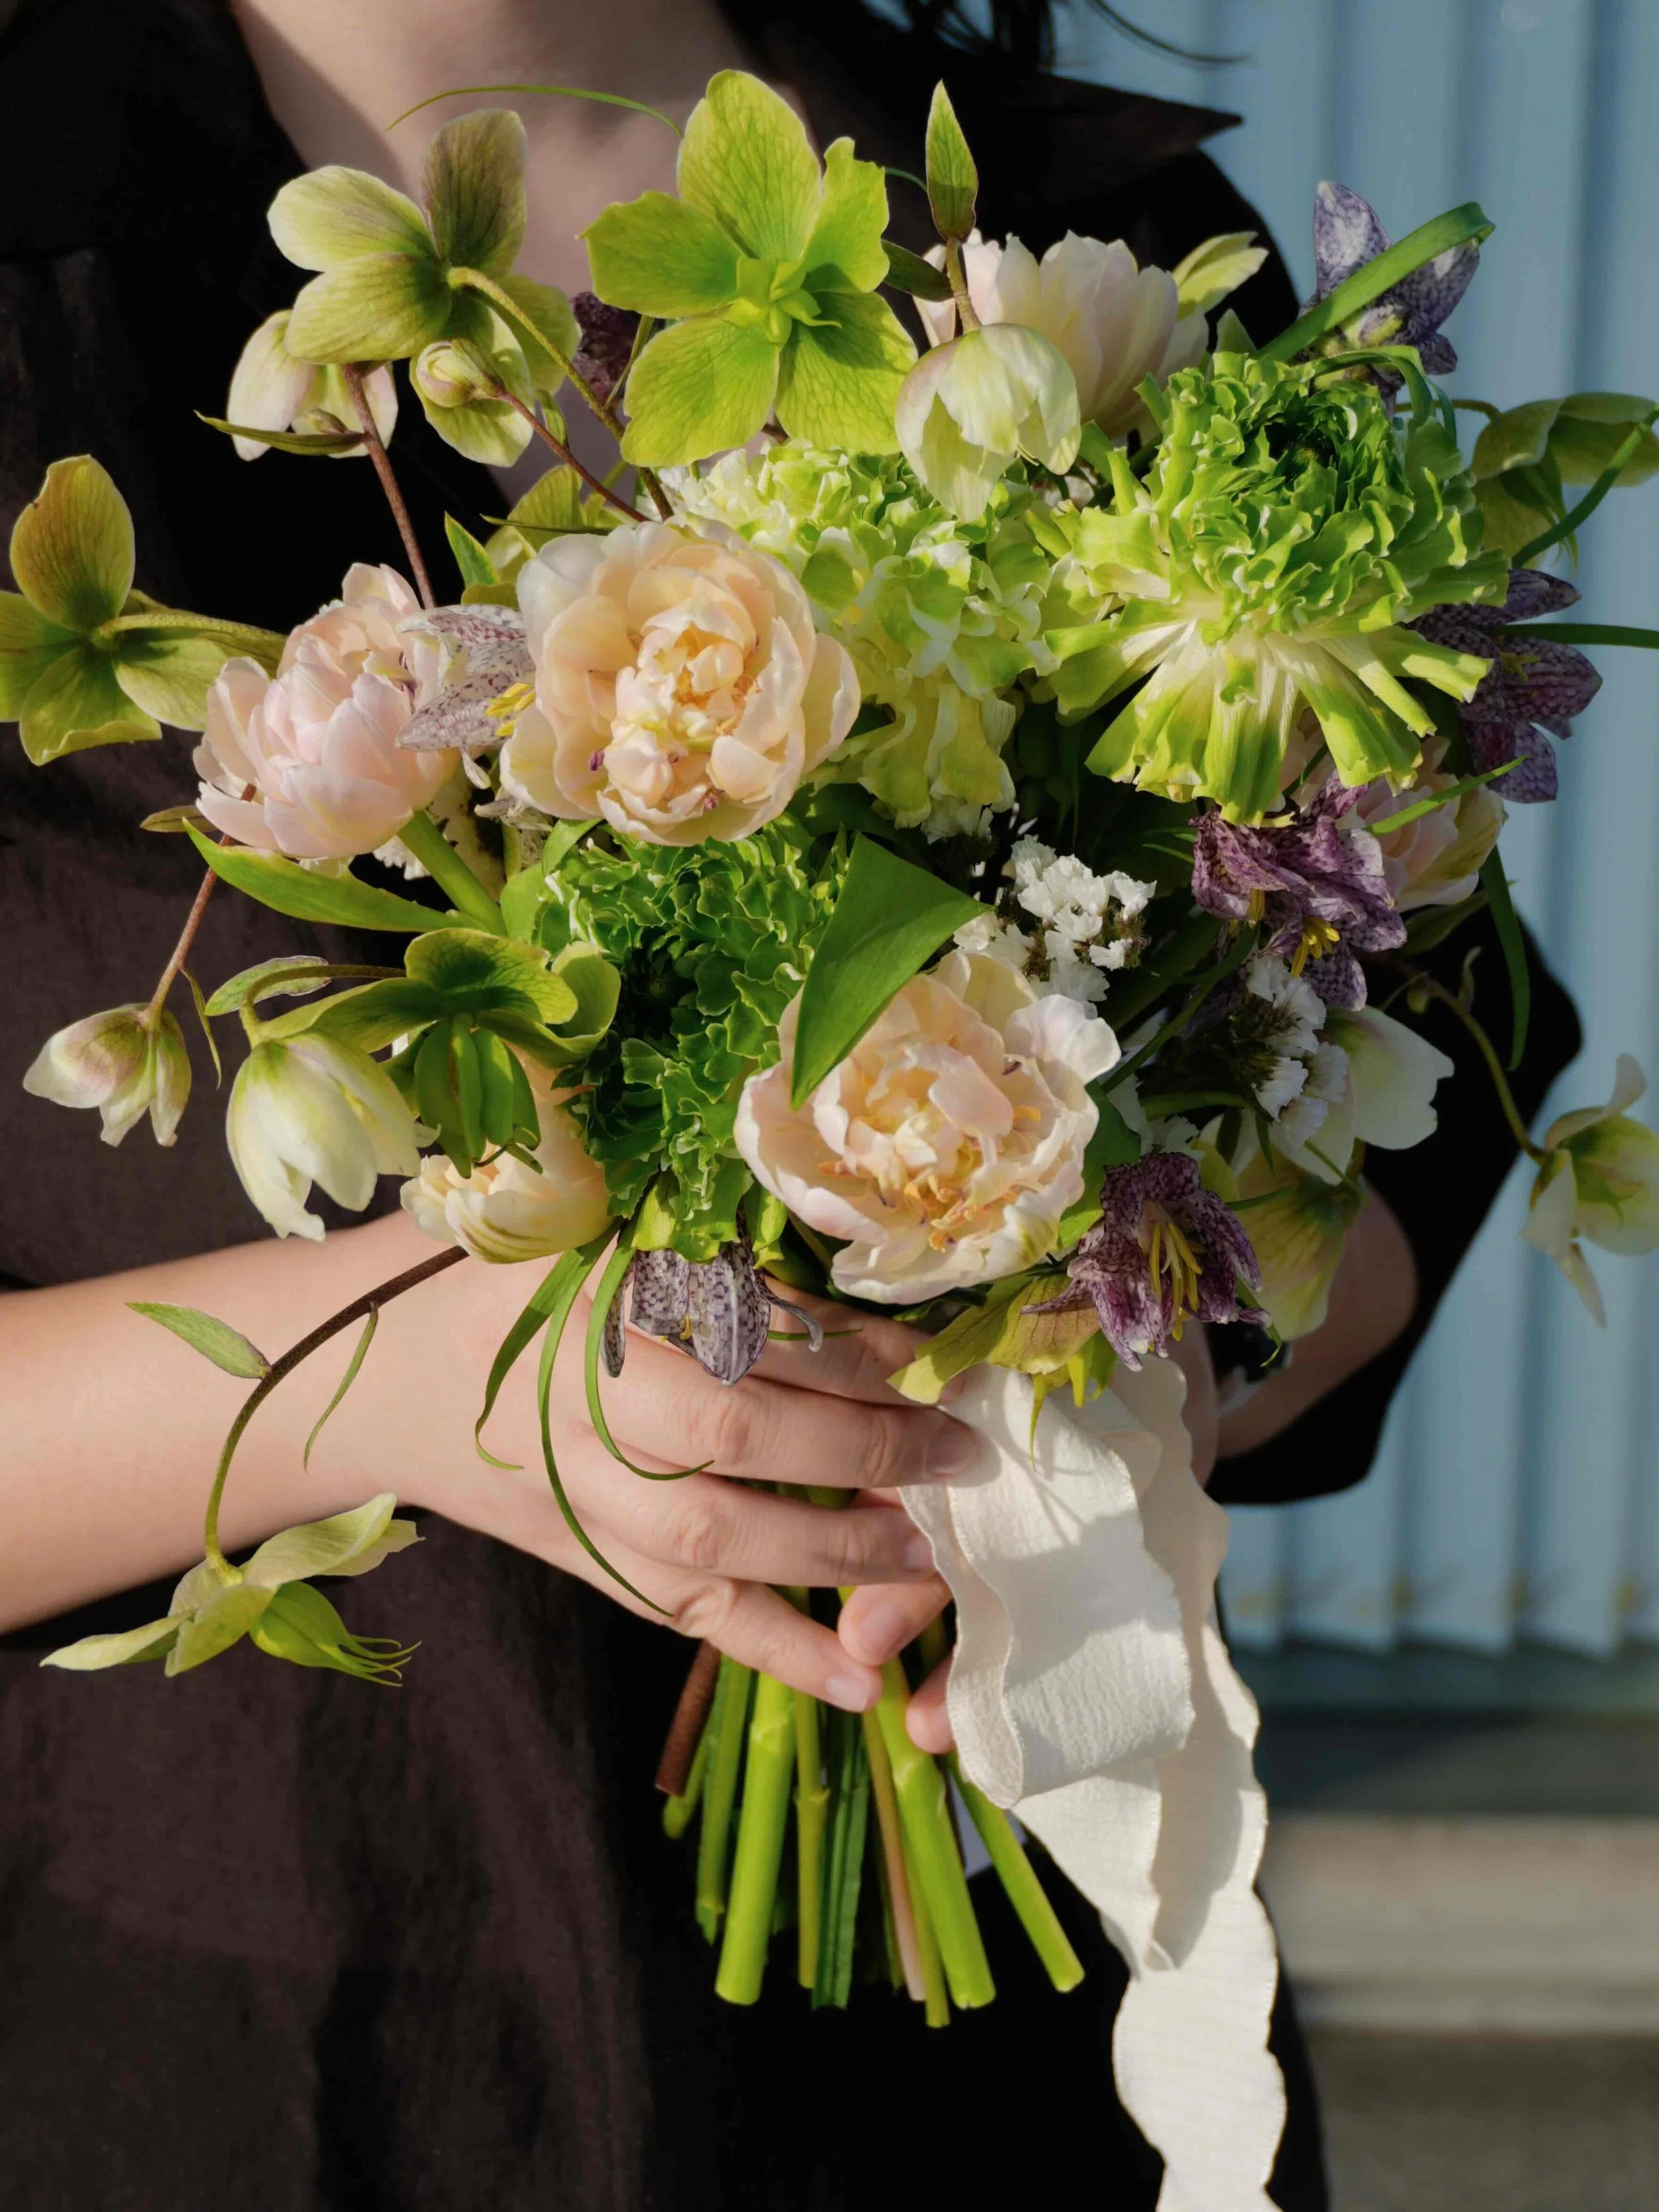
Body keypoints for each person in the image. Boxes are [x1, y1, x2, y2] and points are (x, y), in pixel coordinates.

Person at [0, 3, 1578, 2206]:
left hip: (1005, 2052)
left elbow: (1424, 1062)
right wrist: (397, 1376)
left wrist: (1099, 1356)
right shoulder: (42, 269)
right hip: (277, 2050)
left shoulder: (1091, 257)